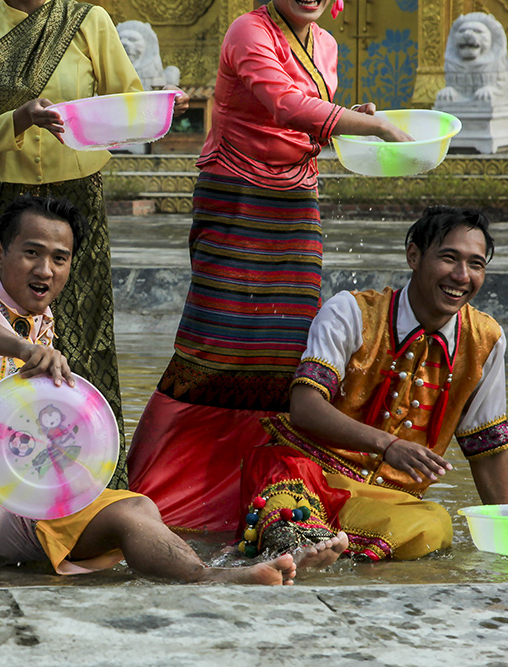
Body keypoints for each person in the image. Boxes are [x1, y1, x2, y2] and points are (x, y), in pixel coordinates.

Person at [0, 193, 353, 589]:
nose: (46, 269)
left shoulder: (44, 323)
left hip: (23, 509)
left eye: (60, 258)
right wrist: (21, 347)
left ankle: (214, 574)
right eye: (31, 253)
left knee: (135, 507)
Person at [127, 0, 415, 531]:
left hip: (296, 201)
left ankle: (278, 489)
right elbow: (283, 104)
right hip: (235, 198)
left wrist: (357, 122)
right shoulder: (247, 31)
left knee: (289, 348)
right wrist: (371, 128)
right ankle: (164, 489)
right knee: (216, 343)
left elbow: (309, 125)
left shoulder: (325, 45)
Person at [0, 0, 186, 488]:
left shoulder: (89, 21)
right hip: (9, 206)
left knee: (85, 338)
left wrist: (157, 108)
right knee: (2, 340)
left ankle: (95, 479)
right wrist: (20, 117)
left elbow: (128, 103)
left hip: (77, 201)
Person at [238, 207, 508, 562]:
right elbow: (304, 407)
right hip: (306, 473)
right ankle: (306, 543)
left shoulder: (486, 340)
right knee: (285, 507)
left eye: (476, 264)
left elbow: (487, 450)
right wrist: (387, 444)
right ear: (414, 255)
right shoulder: (349, 311)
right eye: (449, 258)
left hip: (387, 501)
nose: (461, 276)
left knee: (436, 525)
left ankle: (330, 548)